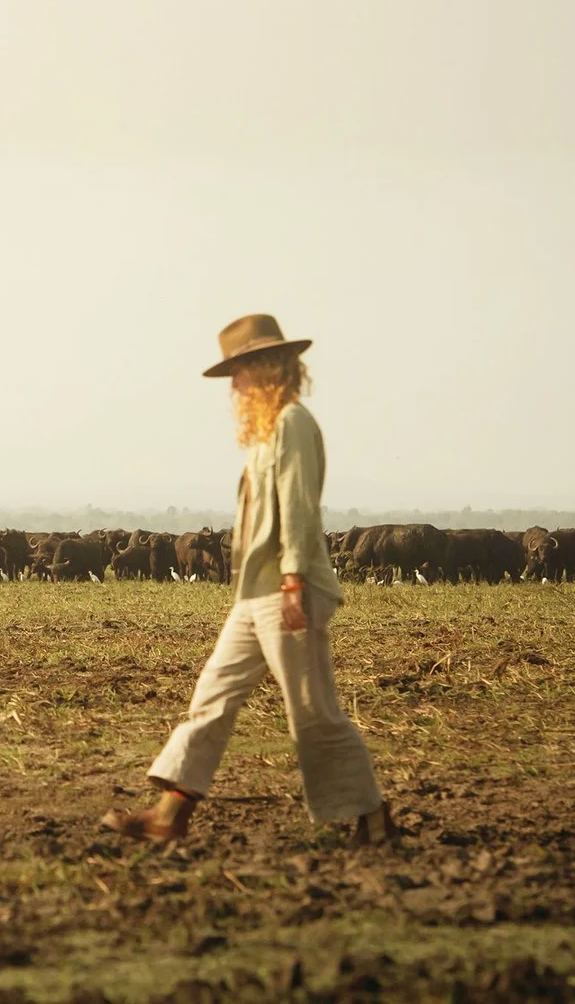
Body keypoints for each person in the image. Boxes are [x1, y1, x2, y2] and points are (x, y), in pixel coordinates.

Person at [103, 314, 392, 845]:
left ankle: (371, 815)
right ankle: (171, 813)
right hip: (253, 593)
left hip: (287, 589)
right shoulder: (266, 432)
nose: (234, 384)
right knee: (213, 693)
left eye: (239, 371)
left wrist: (292, 582)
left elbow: (299, 508)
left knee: (313, 712)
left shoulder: (292, 424)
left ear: (265, 368)